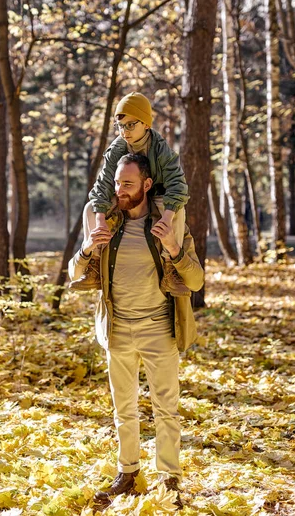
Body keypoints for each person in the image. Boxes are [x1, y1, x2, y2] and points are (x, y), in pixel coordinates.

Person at [68, 154, 204, 511]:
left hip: (159, 330)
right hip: (118, 332)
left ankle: (169, 480)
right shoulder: (106, 223)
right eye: (116, 183)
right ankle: (127, 475)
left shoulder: (166, 223)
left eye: (127, 184)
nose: (119, 190)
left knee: (166, 409)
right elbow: (72, 272)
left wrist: (174, 248)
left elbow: (196, 279)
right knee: (123, 409)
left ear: (146, 185)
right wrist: (87, 248)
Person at [70, 92, 190, 296]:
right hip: (126, 195)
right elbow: (102, 185)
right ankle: (94, 267)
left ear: (145, 124)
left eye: (130, 125)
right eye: (120, 126)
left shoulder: (161, 150)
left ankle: (171, 268)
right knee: (91, 208)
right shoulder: (117, 148)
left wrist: (168, 218)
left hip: (158, 198)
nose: (124, 131)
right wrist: (100, 220)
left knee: (177, 211)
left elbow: (177, 185)